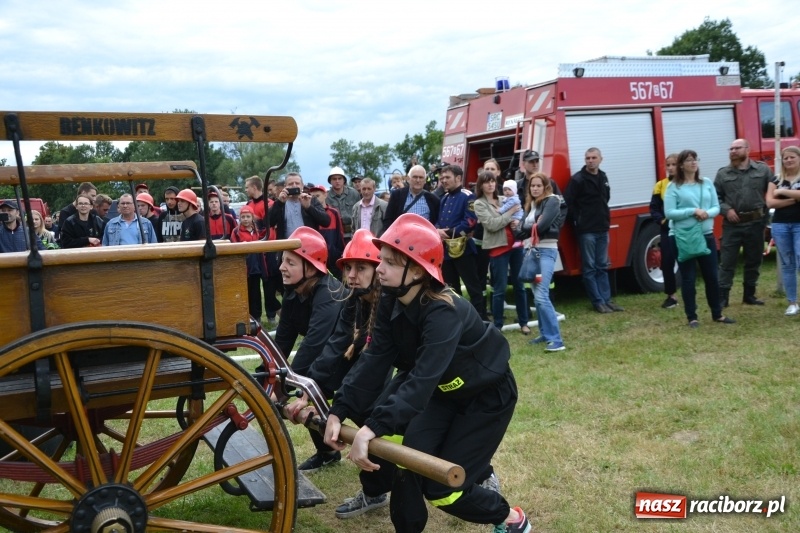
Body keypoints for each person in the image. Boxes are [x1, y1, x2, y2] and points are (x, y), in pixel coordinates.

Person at [323, 213, 532, 533]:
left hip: (486, 397)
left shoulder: (444, 311)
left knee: (444, 489)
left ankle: (510, 519)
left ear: (418, 269)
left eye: (390, 262)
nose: (379, 268)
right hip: (443, 392)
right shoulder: (390, 301)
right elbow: (374, 358)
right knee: (407, 459)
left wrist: (370, 428)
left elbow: (422, 378)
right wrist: (340, 410)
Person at [285, 229, 394, 519]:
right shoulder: (354, 300)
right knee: (360, 409)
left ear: (377, 268)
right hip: (379, 368)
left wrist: (338, 405)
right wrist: (309, 389)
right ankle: (375, 490)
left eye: (361, 267)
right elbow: (335, 346)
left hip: (416, 372)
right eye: (348, 267)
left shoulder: (388, 303)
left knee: (379, 417)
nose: (351, 275)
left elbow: (373, 361)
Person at [274, 226, 345, 472]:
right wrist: (267, 376)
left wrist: (286, 384)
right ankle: (327, 454)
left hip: (357, 360)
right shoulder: (294, 292)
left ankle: (381, 476)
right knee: (307, 393)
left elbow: (314, 343)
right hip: (330, 358)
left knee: (363, 410)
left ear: (312, 267)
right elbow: (281, 342)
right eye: (283, 260)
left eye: (291, 262)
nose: (282, 267)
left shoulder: (329, 293)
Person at [665, 150, 734, 327]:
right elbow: (670, 213)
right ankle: (692, 317)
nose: (693, 163)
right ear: (681, 165)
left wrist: (706, 213)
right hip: (682, 237)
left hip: (706, 235)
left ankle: (717, 314)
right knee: (688, 278)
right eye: (689, 160)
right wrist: (693, 211)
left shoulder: (706, 183)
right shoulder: (674, 187)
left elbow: (716, 207)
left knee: (712, 276)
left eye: (695, 159)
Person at [564, 147, 624, 313]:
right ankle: (597, 302)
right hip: (586, 230)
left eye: (593, 157)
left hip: (602, 227)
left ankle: (607, 300)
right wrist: (578, 221)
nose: (590, 160)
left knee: (602, 266)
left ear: (600, 159)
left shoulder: (603, 176)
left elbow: (606, 197)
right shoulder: (578, 179)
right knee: (590, 267)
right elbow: (567, 202)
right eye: (587, 158)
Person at [714, 138, 772, 307]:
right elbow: (715, 198)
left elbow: (773, 191)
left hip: (755, 223)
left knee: (754, 260)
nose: (733, 151)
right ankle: (723, 297)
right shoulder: (723, 173)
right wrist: (726, 210)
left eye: (737, 148)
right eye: (731, 149)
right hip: (732, 225)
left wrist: (765, 217)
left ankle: (749, 295)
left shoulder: (763, 169)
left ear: (748, 149)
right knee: (727, 262)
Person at [473, 170, 530, 333]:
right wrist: (511, 213)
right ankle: (497, 325)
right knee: (500, 288)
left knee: (520, 285)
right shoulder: (479, 203)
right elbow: (491, 225)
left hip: (516, 246)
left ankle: (523, 322)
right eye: (486, 182)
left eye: (493, 181)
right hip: (498, 248)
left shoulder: (505, 198)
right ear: (481, 185)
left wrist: (517, 219)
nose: (491, 184)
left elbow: (521, 213)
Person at [520, 173, 567, 350]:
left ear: (546, 186)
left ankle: (557, 340)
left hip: (546, 250)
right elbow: (520, 230)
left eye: (539, 185)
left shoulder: (552, 200)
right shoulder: (530, 204)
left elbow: (541, 226)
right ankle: (545, 334)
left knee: (541, 295)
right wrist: (527, 227)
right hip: (531, 250)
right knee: (536, 295)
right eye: (532, 185)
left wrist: (525, 227)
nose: (535, 188)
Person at [436, 164, 488, 320]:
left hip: (464, 249)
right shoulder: (444, 198)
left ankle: (481, 320)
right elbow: (440, 221)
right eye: (442, 178)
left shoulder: (468, 196)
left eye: (447, 177)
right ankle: (458, 321)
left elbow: (471, 221)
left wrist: (449, 232)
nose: (443, 181)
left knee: (473, 288)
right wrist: (437, 230)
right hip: (446, 252)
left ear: (458, 178)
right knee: (452, 290)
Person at [765, 146, 800, 316]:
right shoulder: (775, 179)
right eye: (785, 158)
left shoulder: (779, 185)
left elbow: (776, 196)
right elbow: (770, 203)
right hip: (780, 225)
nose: (789, 160)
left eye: (792, 157)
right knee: (787, 264)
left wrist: (782, 192)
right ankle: (792, 302)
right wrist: (793, 199)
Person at [650, 154, 680, 309]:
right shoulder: (660, 185)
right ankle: (671, 296)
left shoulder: (687, 184)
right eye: (668, 165)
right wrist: (662, 221)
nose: (670, 168)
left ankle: (689, 293)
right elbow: (654, 208)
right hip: (667, 230)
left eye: (673, 164)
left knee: (687, 261)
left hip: (685, 230)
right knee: (667, 262)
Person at [230, 205, 270, 322]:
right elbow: (234, 248)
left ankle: (257, 317)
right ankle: (246, 317)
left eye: (248, 216)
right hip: (244, 268)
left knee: (256, 294)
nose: (246, 219)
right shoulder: (236, 232)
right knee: (245, 293)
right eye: (243, 217)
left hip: (256, 268)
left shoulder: (257, 231)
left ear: (253, 218)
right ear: (239, 218)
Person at [269, 172, 331, 240]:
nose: (294, 185)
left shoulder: (311, 200)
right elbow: (268, 223)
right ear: (285, 186)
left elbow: (326, 222)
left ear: (302, 185)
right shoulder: (281, 202)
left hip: (309, 244)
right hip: (287, 246)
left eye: (297, 183)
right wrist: (279, 203)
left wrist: (309, 207)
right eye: (290, 184)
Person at [383, 165, 440, 231]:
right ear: (408, 179)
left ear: (425, 180)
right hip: (402, 238)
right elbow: (388, 220)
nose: (418, 180)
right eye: (415, 177)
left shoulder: (433, 199)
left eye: (421, 177)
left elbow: (436, 222)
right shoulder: (397, 195)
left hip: (424, 238)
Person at [308, 184, 345, 278]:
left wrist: (340, 252)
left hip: (333, 256)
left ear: (325, 195)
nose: (315, 199)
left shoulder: (333, 212)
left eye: (317, 196)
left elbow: (339, 234)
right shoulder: (309, 212)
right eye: (312, 196)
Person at [326, 167, 361, 242]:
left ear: (344, 180)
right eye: (334, 179)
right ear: (330, 181)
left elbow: (360, 212)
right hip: (336, 235)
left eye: (340, 178)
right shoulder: (326, 197)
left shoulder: (354, 193)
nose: (337, 181)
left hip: (353, 233)